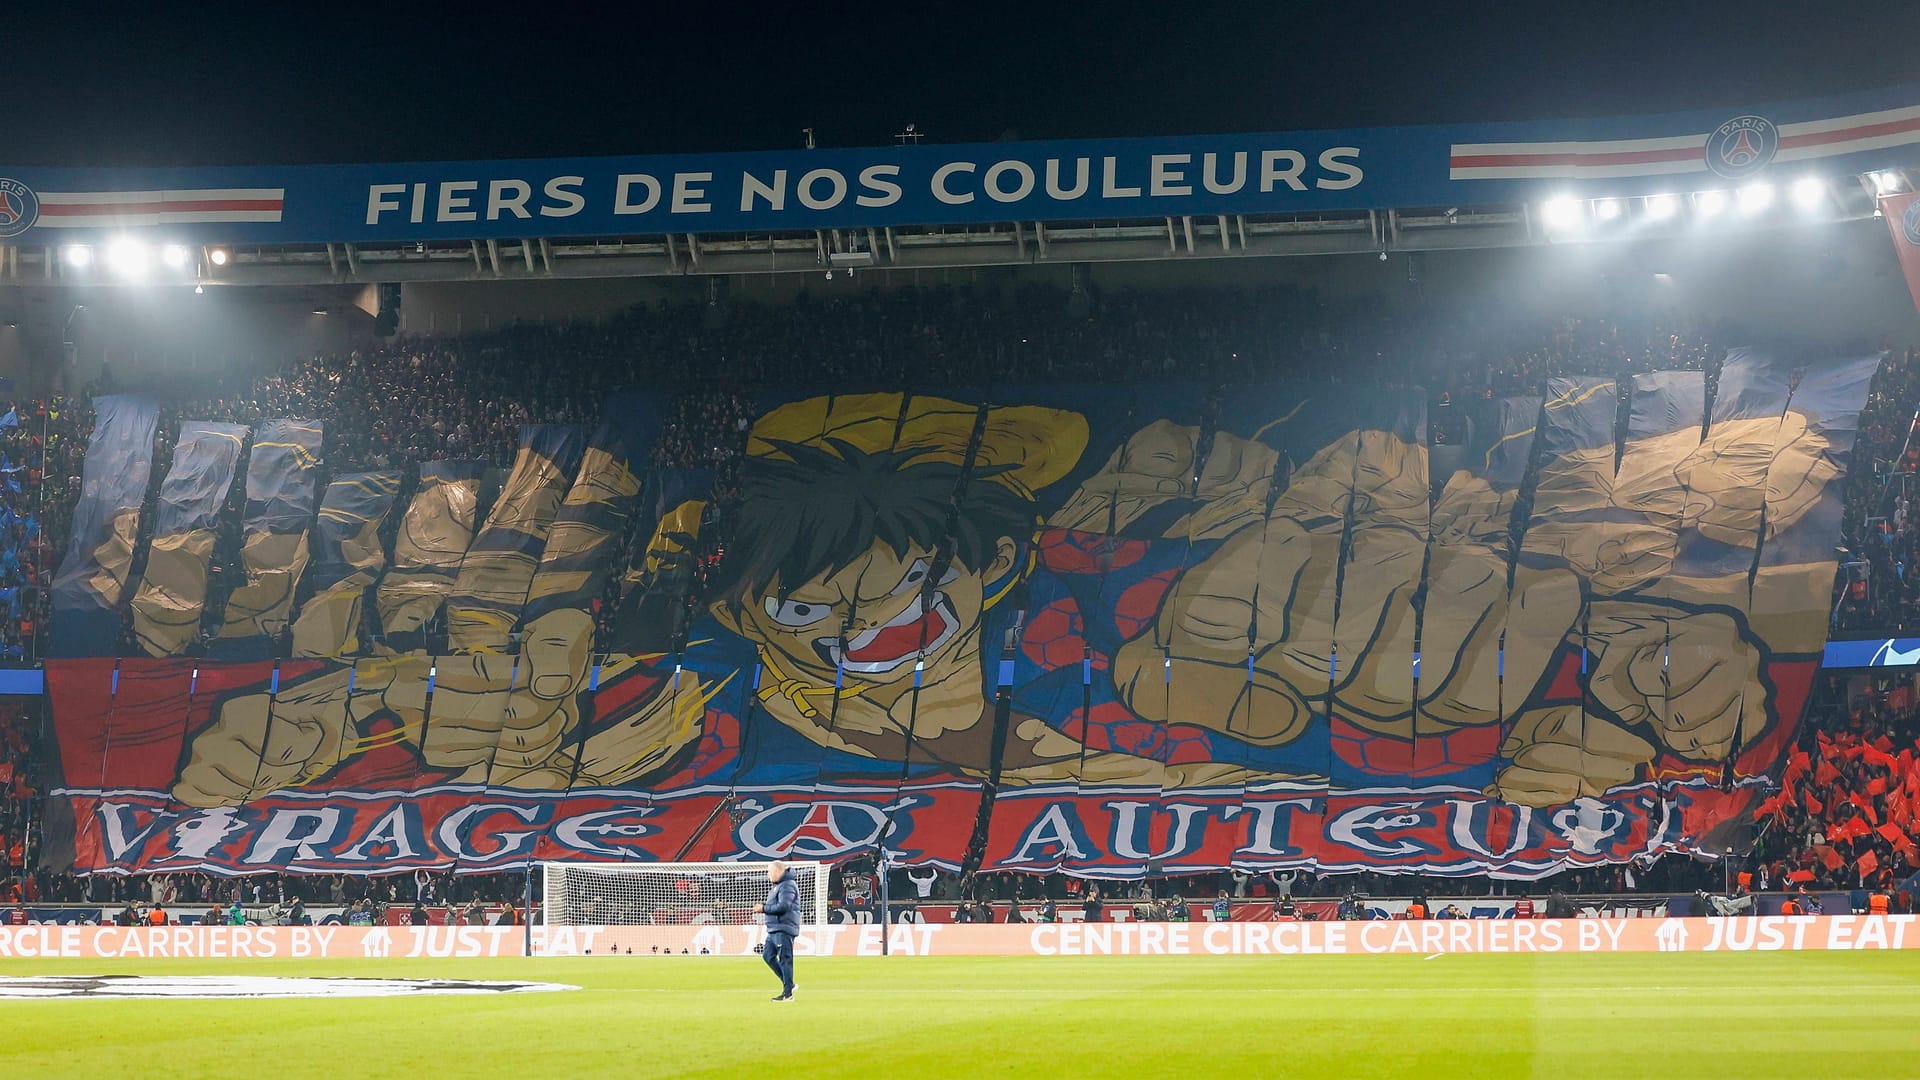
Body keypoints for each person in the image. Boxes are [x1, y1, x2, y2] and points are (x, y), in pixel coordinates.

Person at [758, 861, 799, 1002]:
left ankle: (788, 994)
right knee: (768, 956)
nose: (768, 875)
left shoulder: (788, 885)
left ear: (777, 872)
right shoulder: (778, 886)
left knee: (785, 960)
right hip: (774, 929)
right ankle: (789, 984)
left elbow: (784, 906)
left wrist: (764, 908)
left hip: (784, 928)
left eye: (769, 872)